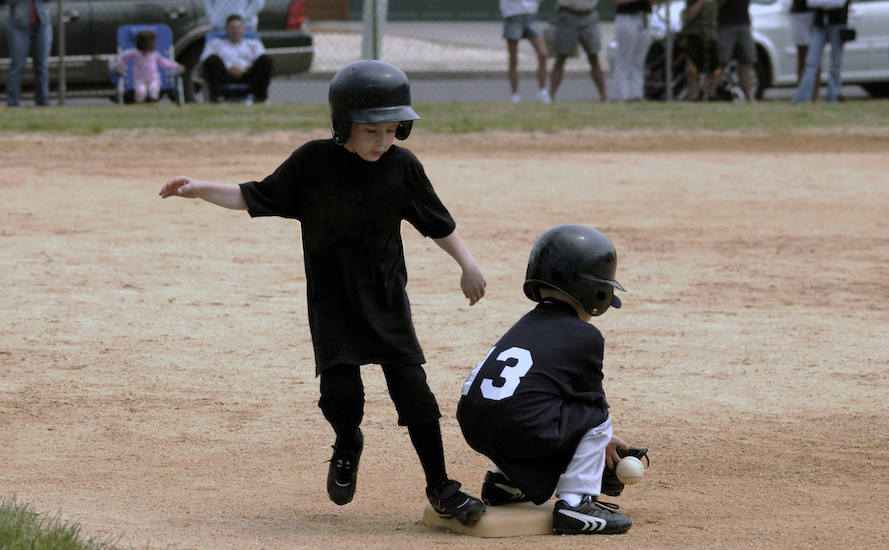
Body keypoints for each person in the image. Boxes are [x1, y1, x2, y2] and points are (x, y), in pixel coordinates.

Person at [159, 60, 489, 527]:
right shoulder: (312, 163)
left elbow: (438, 223)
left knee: (414, 393)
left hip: (385, 300)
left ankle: (442, 487)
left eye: (392, 130)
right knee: (341, 395)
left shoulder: (402, 166)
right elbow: (253, 195)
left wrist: (467, 264)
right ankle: (347, 441)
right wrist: (200, 190)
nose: (382, 141)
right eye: (371, 130)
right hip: (332, 303)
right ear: (342, 125)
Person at [457, 224, 642, 535]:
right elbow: (592, 406)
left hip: (473, 422)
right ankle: (576, 504)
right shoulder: (586, 335)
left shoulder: (525, 323)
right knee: (597, 415)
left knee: (534, 407)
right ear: (594, 290)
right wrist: (597, 445)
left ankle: (505, 482)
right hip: (519, 425)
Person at [199, 14, 273, 104]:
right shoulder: (215, 43)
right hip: (224, 75)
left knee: (266, 60)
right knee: (212, 60)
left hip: (248, 74)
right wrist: (229, 69)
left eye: (238, 27)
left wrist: (245, 69)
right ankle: (216, 98)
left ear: (243, 29)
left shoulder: (253, 44)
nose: (235, 31)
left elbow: (262, 59)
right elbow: (204, 60)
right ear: (226, 29)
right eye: (232, 27)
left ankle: (260, 99)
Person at [791, 0, 850, 103]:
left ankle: (833, 95)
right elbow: (811, 2)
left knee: (836, 63)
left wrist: (823, 3)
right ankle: (802, 97)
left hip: (837, 23)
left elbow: (839, 3)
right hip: (820, 25)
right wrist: (827, 3)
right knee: (811, 62)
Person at [549, 0, 608, 102]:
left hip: (589, 14)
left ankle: (604, 96)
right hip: (568, 14)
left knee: (594, 57)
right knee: (560, 57)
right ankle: (551, 96)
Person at [705, 0, 756, 103]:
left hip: (743, 22)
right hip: (725, 24)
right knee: (719, 60)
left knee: (745, 60)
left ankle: (749, 97)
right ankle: (709, 94)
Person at [499, 0, 550, 103]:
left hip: (531, 15)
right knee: (513, 59)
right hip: (512, 14)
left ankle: (542, 92)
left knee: (543, 54)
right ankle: (515, 95)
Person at [115, 29, 185, 103]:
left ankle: (152, 102)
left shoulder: (154, 54)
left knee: (153, 90)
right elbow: (123, 56)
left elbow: (164, 63)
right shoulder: (135, 53)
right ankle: (141, 103)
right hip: (139, 80)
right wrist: (120, 66)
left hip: (153, 79)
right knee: (140, 92)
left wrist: (176, 66)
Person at [5, 0, 52, 107]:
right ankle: (13, 103)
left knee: (42, 66)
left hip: (42, 24)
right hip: (18, 26)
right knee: (17, 66)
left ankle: (43, 102)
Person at [611, 0, 655, 102]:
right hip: (627, 17)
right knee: (624, 59)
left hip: (644, 18)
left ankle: (637, 94)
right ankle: (621, 95)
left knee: (639, 60)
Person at [680, 0, 719, 101]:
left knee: (715, 67)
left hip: (710, 34)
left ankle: (708, 94)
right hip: (695, 33)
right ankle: (694, 95)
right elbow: (689, 15)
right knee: (692, 66)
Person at [789, 0, 821, 102]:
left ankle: (814, 96)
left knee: (815, 57)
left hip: (815, 14)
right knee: (802, 57)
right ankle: (803, 94)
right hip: (799, 13)